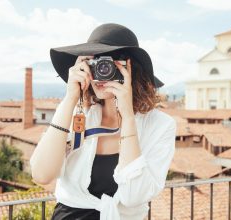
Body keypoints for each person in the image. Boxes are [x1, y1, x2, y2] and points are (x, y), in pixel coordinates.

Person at [29, 23, 176, 220]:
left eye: (109, 64)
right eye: (94, 63)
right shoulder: (75, 115)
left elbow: (134, 196)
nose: (101, 72)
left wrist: (127, 117)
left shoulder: (160, 125)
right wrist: (71, 98)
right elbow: (41, 175)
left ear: (131, 69)